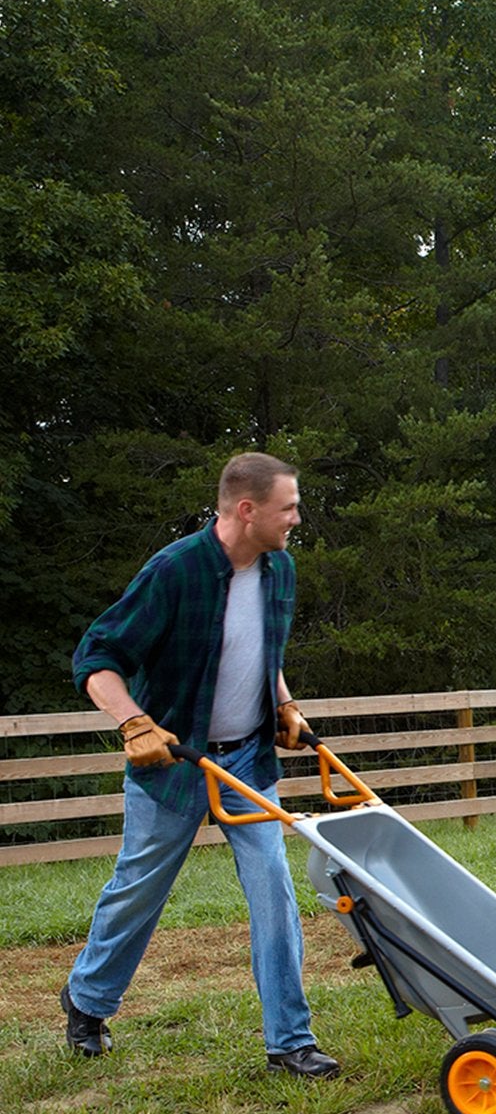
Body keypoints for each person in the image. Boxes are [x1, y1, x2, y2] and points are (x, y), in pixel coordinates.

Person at [60, 452, 339, 1079]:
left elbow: (260, 651)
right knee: (139, 891)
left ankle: (289, 1042)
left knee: (274, 889)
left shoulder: (279, 570)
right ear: (248, 510)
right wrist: (133, 722)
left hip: (246, 760)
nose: (297, 518)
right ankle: (87, 1001)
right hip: (176, 763)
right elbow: (97, 655)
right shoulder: (175, 572)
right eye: (287, 507)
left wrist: (284, 702)